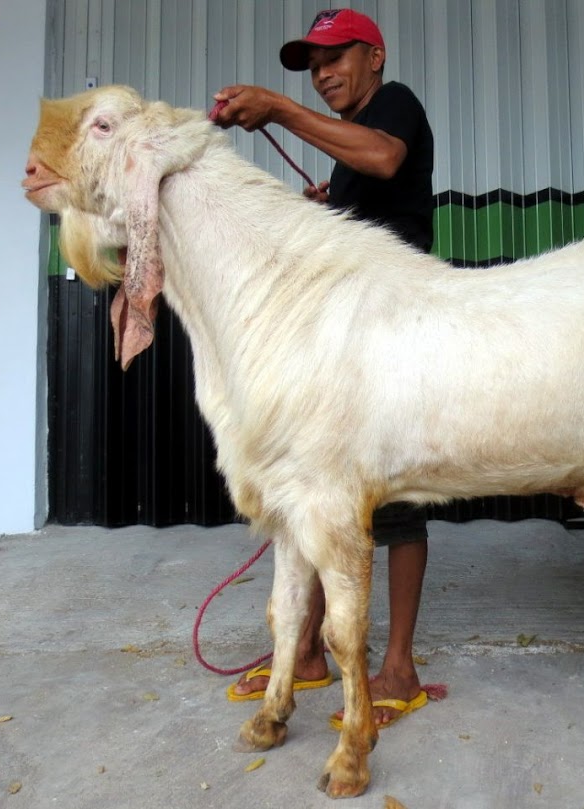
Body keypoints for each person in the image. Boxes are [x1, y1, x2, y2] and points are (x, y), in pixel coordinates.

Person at [210, 8, 435, 730]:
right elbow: (357, 179)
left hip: (395, 332)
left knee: (395, 497)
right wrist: (326, 205)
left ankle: (398, 666)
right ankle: (303, 651)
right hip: (343, 343)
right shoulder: (345, 153)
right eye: (313, 69)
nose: (325, 74)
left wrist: (278, 106)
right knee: (316, 488)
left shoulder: (394, 107)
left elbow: (385, 158)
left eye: (337, 59)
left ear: (375, 57)